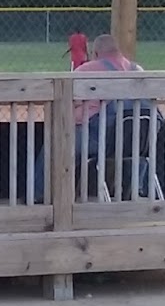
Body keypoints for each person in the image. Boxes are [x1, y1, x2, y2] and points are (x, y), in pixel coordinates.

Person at [33, 34, 145, 200]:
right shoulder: (137, 70)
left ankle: (40, 194)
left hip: (99, 139)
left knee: (56, 142)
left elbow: (66, 103)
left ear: (96, 53)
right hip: (138, 142)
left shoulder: (87, 70)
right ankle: (137, 188)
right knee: (137, 147)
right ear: (118, 51)